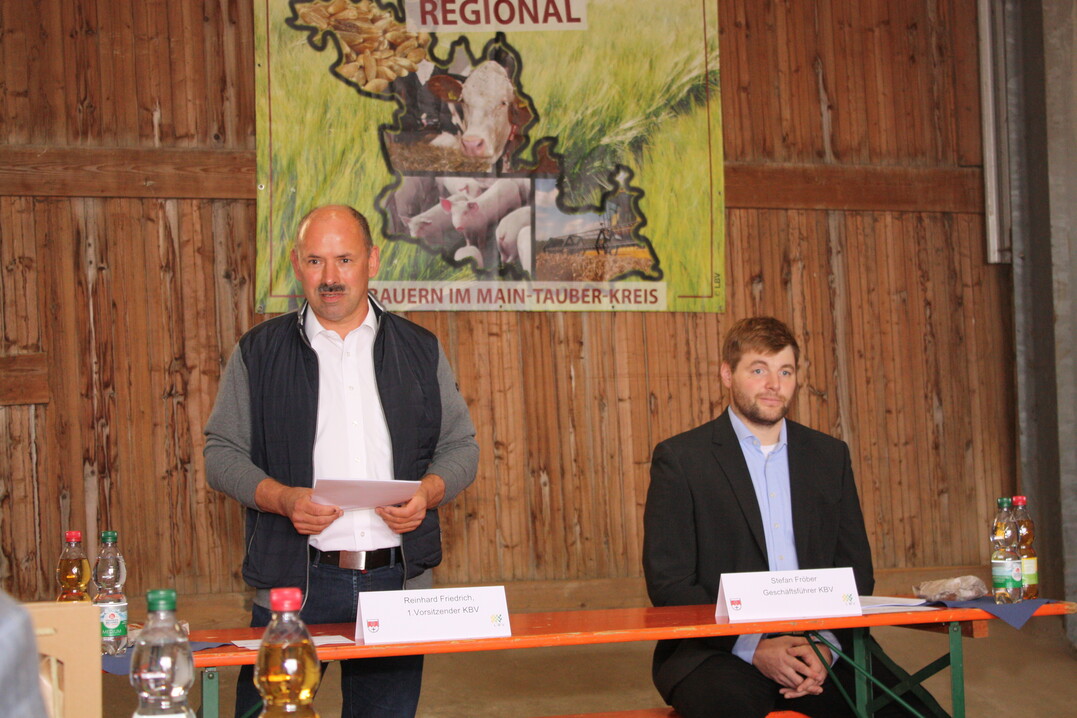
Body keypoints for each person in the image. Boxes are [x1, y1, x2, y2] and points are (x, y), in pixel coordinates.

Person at [205, 205, 479, 718]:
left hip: (396, 582)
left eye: (345, 259)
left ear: (372, 260)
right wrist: (281, 498)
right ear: (296, 264)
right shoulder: (258, 353)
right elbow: (221, 454)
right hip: (294, 581)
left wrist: (428, 492)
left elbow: (462, 447)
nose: (330, 277)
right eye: (315, 261)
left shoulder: (420, 350)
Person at [643, 316, 930, 718]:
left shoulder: (829, 457)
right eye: (758, 370)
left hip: (822, 644)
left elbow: (856, 572)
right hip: (718, 649)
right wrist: (753, 645)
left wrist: (826, 644)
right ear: (727, 374)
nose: (774, 385)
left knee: (913, 712)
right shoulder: (682, 460)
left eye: (785, 371)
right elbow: (669, 583)